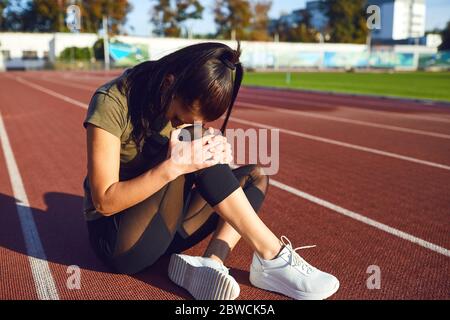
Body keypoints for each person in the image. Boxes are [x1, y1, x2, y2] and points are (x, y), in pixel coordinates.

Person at [82, 42, 339, 300]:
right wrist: (176, 165)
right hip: (121, 243)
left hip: (166, 227)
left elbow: (197, 159)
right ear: (168, 83)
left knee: (255, 176)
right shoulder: (112, 102)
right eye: (179, 118)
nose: (179, 125)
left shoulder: (182, 110)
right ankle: (272, 254)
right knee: (191, 142)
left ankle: (212, 263)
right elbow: (104, 201)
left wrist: (215, 152)